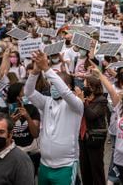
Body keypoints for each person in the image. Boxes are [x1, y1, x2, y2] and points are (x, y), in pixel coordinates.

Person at [25, 50, 84, 185]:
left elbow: (64, 92)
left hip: (66, 166)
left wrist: (46, 68)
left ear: (68, 87)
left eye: (55, 84)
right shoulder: (46, 102)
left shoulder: (76, 105)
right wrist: (35, 72)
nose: (53, 87)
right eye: (51, 85)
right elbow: (28, 92)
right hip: (44, 165)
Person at [77, 75, 108, 185]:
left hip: (95, 138)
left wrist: (83, 102)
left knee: (96, 169)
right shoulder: (83, 100)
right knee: (84, 169)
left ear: (93, 87)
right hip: (82, 137)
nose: (83, 88)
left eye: (86, 86)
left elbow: (91, 115)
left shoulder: (101, 100)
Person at [6, 82, 41, 174]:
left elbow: (35, 134)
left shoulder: (32, 109)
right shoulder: (5, 111)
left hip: (30, 153)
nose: (26, 93)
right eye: (23, 91)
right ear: (17, 96)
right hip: (12, 153)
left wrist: (28, 117)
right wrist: (11, 122)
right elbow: (3, 134)